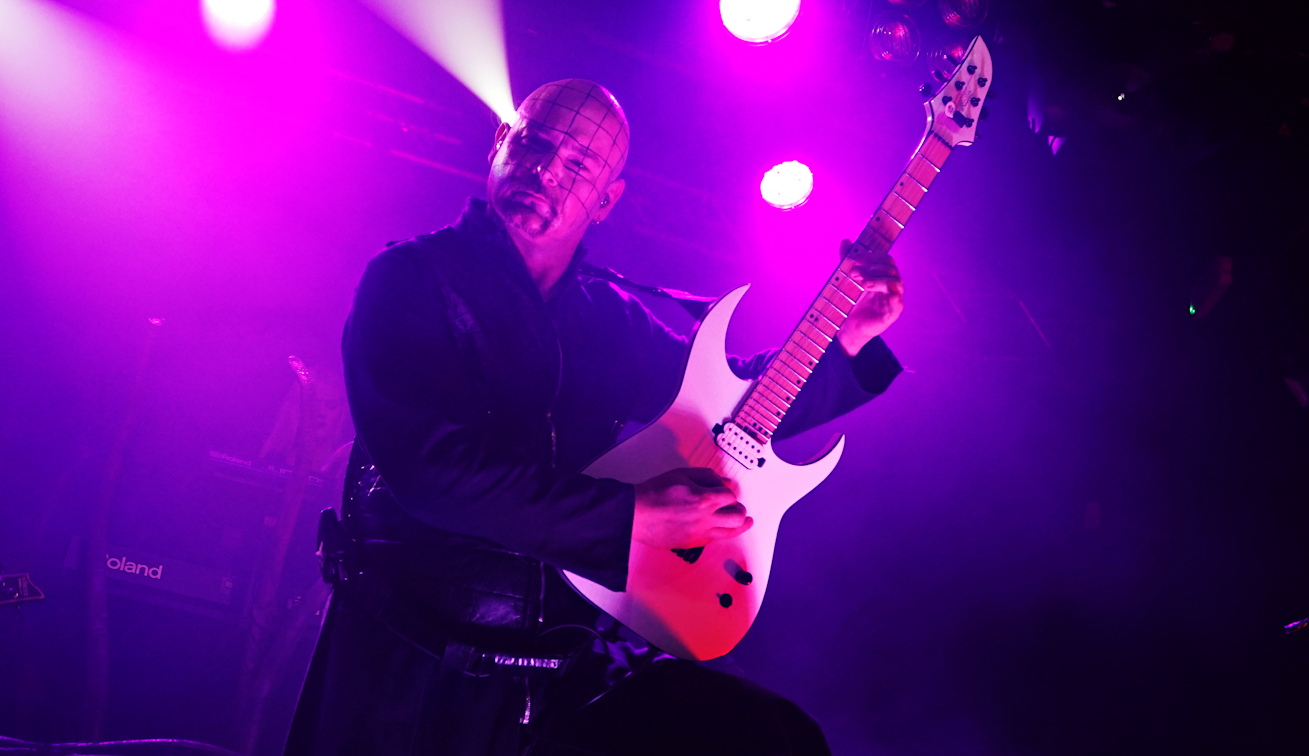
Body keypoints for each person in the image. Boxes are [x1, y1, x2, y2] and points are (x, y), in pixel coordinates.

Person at [283, 79, 905, 756]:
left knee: (772, 737)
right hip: (406, 667)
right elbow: (432, 471)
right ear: (499, 146)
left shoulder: (607, 318)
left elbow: (734, 412)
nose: (547, 170)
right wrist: (632, 518)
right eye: (533, 144)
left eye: (578, 165)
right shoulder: (409, 278)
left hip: (558, 680)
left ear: (606, 200)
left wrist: (848, 339)